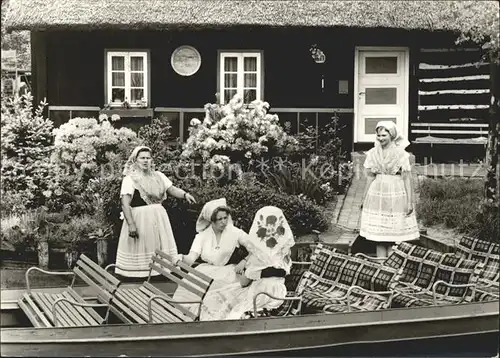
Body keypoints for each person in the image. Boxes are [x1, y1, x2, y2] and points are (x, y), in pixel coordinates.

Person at [199, 206, 295, 321]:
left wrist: (240, 271)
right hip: (278, 293)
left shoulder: (258, 257)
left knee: (215, 298)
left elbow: (244, 282)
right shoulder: (284, 252)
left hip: (261, 295)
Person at [116, 145, 196, 278]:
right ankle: (140, 274)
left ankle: (159, 273)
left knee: (159, 244)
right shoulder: (130, 179)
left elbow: (171, 188)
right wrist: (131, 224)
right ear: (135, 160)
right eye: (142, 158)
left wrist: (185, 194)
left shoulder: (158, 176)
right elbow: (125, 203)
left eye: (148, 158)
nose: (146, 161)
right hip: (140, 218)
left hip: (159, 217)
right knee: (144, 245)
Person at [171, 198, 249, 315]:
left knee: (215, 290)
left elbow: (256, 248)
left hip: (229, 273)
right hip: (207, 270)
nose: (224, 222)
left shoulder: (235, 232)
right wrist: (181, 257)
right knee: (190, 289)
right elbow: (191, 258)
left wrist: (244, 260)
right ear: (211, 221)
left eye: (225, 218)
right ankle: (184, 316)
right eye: (219, 219)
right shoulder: (202, 236)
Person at [359, 121, 419, 258]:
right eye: (378, 135)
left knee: (392, 235)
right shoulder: (373, 153)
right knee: (379, 236)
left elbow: (406, 179)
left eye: (384, 135)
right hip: (377, 194)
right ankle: (381, 268)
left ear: (391, 135)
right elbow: (369, 177)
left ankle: (391, 268)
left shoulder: (401, 154)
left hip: (396, 193)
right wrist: (364, 198)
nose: (381, 138)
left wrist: (409, 202)